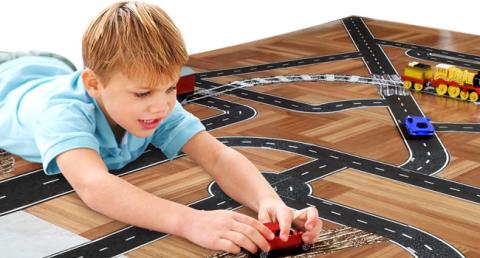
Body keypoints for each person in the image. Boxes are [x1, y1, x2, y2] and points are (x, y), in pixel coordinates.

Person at [0, 1, 322, 254]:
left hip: (50, 69)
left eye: (170, 88)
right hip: (10, 81)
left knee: (57, 66)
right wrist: (190, 221)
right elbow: (95, 186)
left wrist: (270, 201)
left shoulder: (157, 106)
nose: (162, 106)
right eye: (143, 93)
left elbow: (217, 156)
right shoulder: (61, 112)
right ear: (94, 85)